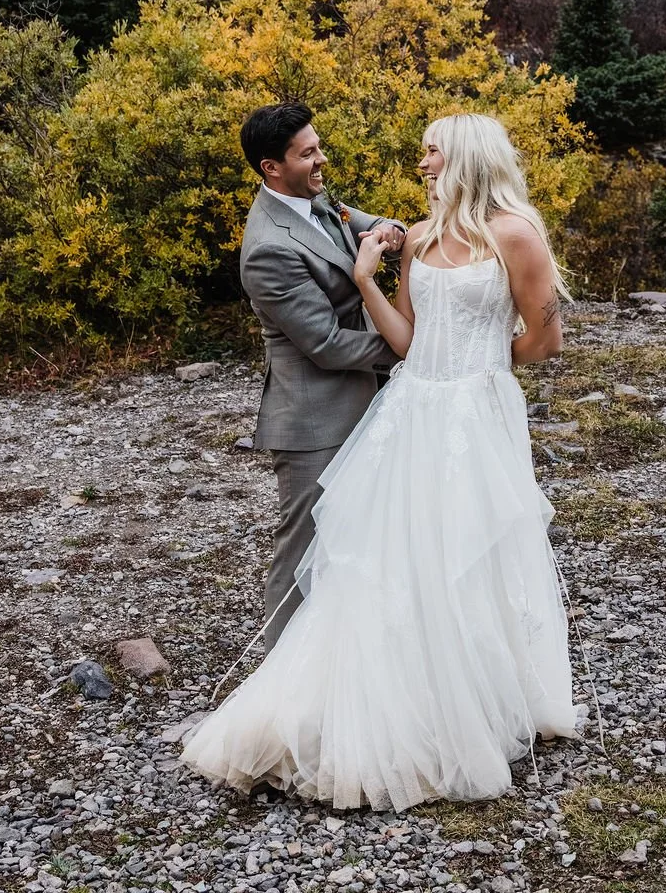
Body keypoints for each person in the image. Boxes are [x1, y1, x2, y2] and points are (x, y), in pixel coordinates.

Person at [183, 112, 581, 811]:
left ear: (460, 158)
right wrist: (371, 282)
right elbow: (396, 338)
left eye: (430, 150)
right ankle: (338, 697)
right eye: (308, 151)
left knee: (477, 546)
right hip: (407, 408)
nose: (420, 160)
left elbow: (544, 339)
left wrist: (479, 370)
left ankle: (487, 692)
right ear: (273, 166)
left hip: (474, 407)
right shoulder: (317, 246)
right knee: (391, 555)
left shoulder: (513, 233)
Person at [236, 103, 406, 649]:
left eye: (318, 145)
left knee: (365, 533)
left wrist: (387, 229)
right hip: (313, 418)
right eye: (307, 153)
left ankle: (345, 654)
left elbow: (359, 221)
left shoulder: (314, 198)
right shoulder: (268, 248)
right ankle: (279, 672)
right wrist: (412, 345)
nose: (320, 159)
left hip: (364, 396)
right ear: (271, 168)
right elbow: (327, 345)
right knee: (304, 545)